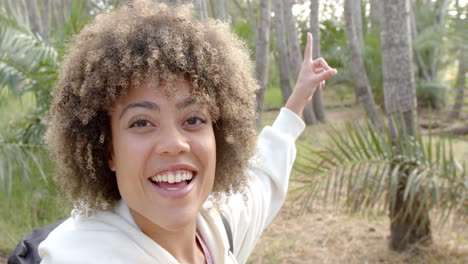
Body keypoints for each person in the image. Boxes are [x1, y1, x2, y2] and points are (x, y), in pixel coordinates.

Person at [37, 0, 337, 263]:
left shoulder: (219, 227)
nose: (174, 144)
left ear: (218, 136)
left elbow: (263, 176)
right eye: (141, 122)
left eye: (193, 119)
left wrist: (298, 99)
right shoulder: (81, 254)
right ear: (108, 150)